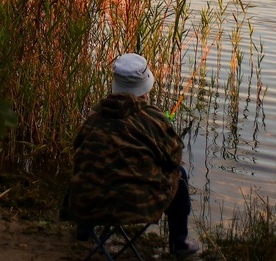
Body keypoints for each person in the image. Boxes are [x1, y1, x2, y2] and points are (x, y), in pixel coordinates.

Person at [63, 52, 200, 258]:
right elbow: (173, 160)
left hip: (87, 203)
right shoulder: (154, 118)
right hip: (136, 206)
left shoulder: (93, 117)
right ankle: (178, 244)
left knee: (88, 164)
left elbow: (78, 148)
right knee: (180, 174)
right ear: (145, 88)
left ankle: (84, 229)